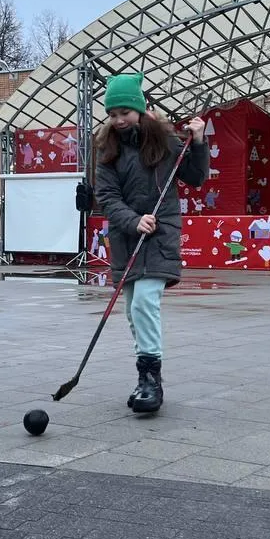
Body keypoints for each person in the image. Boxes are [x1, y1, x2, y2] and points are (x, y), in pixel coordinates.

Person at [94, 72, 208, 413]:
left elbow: (196, 177)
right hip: (127, 238)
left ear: (139, 110)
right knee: (133, 311)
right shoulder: (107, 150)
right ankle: (145, 376)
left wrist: (199, 142)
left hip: (160, 235)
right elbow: (108, 197)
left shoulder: (166, 140)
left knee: (144, 302)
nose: (118, 120)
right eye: (112, 114)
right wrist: (133, 220)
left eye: (124, 112)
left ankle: (150, 381)